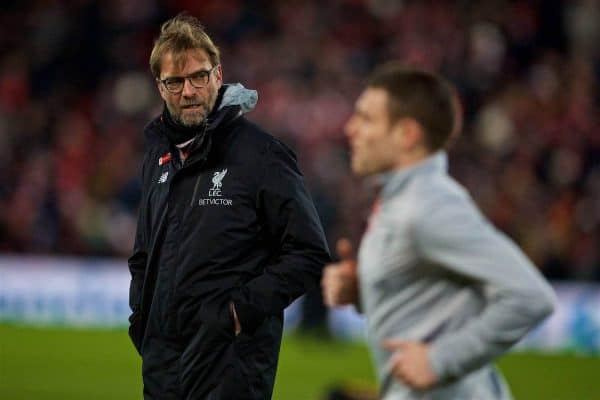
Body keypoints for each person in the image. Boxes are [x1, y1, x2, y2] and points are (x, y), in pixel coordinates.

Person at [321, 63, 555, 400]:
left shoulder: (429, 207)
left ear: (407, 135)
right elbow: (430, 305)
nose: (350, 128)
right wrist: (363, 291)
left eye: (366, 118)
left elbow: (531, 297)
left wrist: (440, 360)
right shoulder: (399, 202)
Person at [127, 13, 330, 399]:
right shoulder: (158, 157)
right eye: (175, 82)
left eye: (198, 76)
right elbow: (144, 254)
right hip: (162, 368)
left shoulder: (261, 155)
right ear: (160, 88)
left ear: (218, 76)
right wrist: (143, 319)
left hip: (231, 370)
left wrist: (237, 315)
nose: (188, 91)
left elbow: (309, 252)